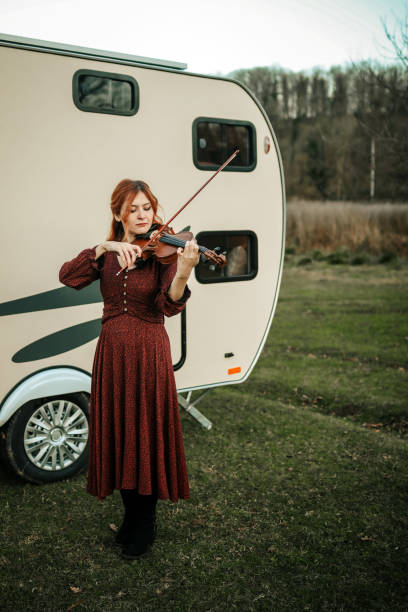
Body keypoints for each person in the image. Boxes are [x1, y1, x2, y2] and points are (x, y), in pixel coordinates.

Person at [59, 179, 199, 559]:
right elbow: (68, 276)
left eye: (147, 208)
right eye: (134, 209)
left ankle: (145, 524)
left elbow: (169, 304)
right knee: (121, 434)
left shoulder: (166, 252)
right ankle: (129, 517)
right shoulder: (107, 254)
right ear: (119, 213)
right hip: (112, 354)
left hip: (148, 353)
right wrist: (104, 246)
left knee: (145, 436)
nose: (142, 216)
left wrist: (184, 270)